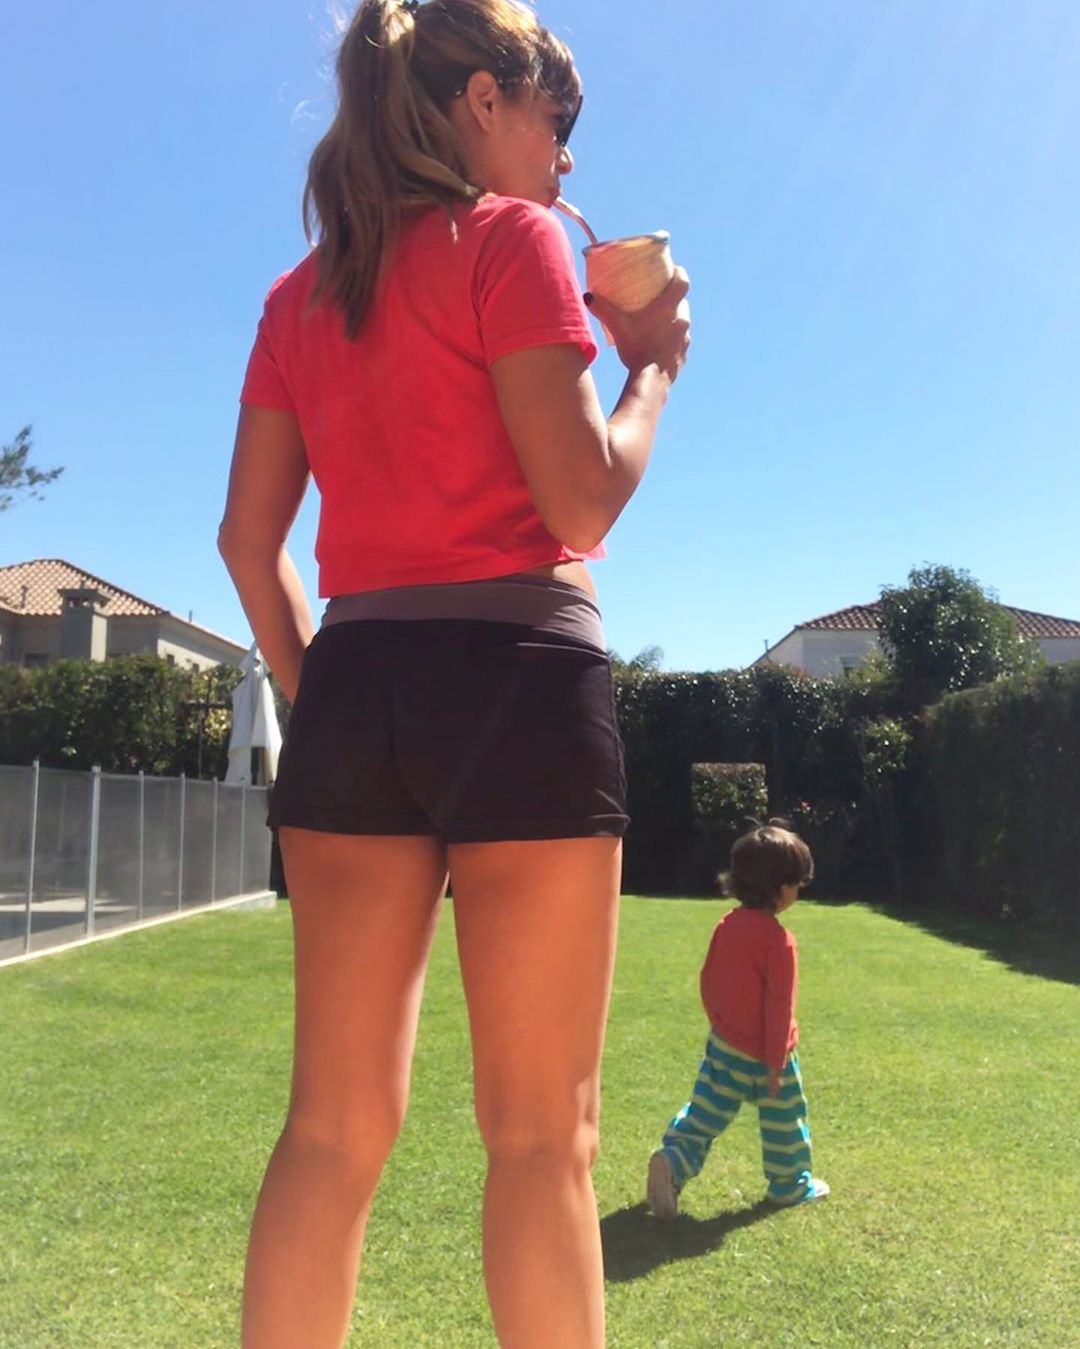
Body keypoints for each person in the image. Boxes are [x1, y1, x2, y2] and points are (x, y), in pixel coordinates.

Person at [217, 0, 690, 1345]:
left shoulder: (300, 296)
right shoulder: (513, 241)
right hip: (523, 678)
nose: (567, 159)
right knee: (543, 1140)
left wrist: (325, 703)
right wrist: (653, 372)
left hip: (360, 681)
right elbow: (580, 500)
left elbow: (248, 542)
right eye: (557, 120)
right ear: (485, 100)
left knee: (329, 1131)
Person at [645, 820, 829, 1220]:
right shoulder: (780, 942)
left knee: (705, 1113)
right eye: (796, 883)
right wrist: (775, 1063)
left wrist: (720, 1023)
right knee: (784, 1121)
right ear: (779, 887)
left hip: (725, 1045)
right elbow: (779, 1007)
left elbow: (709, 978)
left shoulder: (727, 926)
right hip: (768, 1055)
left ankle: (673, 1160)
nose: (798, 890)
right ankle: (790, 1184)